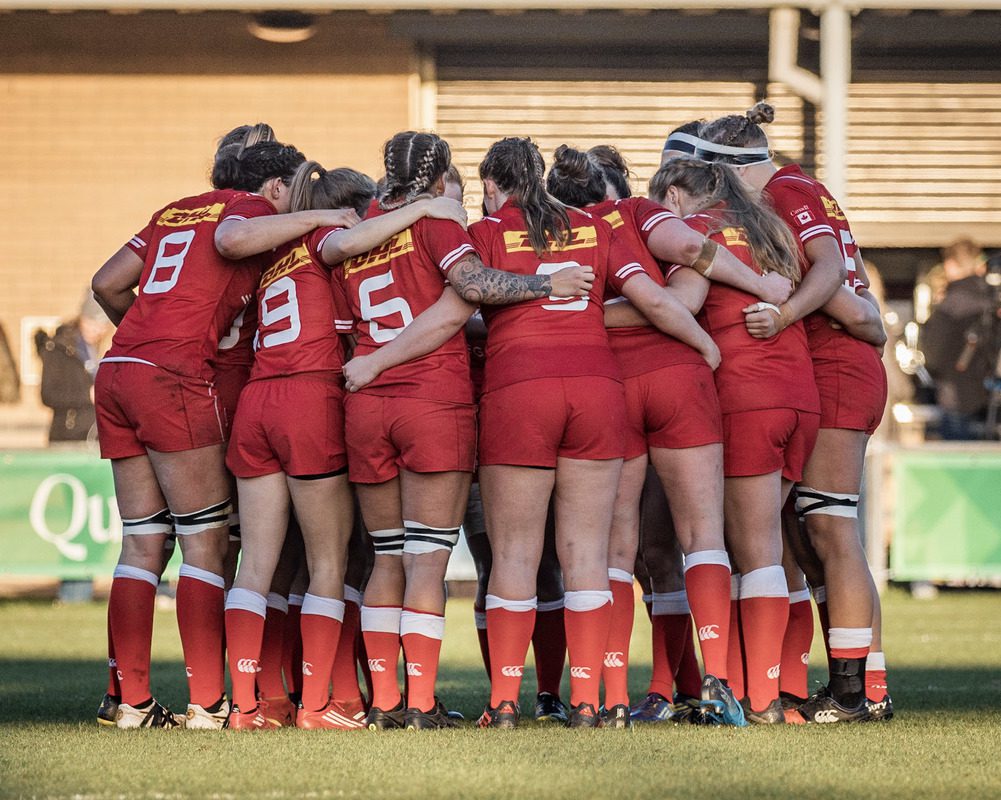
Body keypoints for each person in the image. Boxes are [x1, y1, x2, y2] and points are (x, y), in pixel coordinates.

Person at [91, 139, 361, 729]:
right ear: (272, 188)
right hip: (176, 379)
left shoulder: (174, 209)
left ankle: (129, 701)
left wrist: (148, 334)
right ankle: (209, 702)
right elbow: (232, 240)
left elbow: (107, 283)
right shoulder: (254, 211)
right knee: (207, 542)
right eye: (294, 192)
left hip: (119, 368)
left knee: (141, 542)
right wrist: (320, 216)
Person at [335, 131, 594, 730]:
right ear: (439, 176)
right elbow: (473, 288)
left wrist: (373, 361)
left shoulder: (361, 234)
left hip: (366, 402)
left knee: (386, 558)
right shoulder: (440, 223)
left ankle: (384, 703)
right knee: (427, 562)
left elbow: (347, 322)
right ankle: (421, 705)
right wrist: (543, 284)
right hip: (431, 401)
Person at [223, 161, 469, 730]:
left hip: (258, 397)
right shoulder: (330, 242)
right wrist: (426, 207)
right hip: (311, 397)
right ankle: (320, 705)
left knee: (257, 565)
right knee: (330, 562)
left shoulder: (272, 253)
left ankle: (244, 705)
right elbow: (353, 247)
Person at [699, 103, 893, 722]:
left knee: (831, 528)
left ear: (729, 168)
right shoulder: (790, 192)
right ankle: (869, 685)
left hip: (836, 366)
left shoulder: (787, 188)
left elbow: (835, 270)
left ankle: (853, 694)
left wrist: (784, 313)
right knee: (813, 538)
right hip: (827, 366)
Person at [546, 144, 745, 727]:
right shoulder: (635, 212)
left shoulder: (557, 234)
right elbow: (684, 268)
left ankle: (609, 694)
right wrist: (752, 299)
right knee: (702, 535)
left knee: (616, 548)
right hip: (677, 375)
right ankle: (720, 684)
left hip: (608, 386)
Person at [650, 156, 819, 724]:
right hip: (800, 395)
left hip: (747, 396)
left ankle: (761, 700)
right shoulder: (771, 231)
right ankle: (764, 690)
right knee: (766, 548)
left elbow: (685, 305)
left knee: (753, 550)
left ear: (675, 196)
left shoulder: (698, 233)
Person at [922, 238, 993, 441]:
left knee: (957, 461)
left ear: (950, 265)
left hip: (957, 395)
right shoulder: (991, 300)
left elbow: (933, 353)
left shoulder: (951, 304)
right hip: (991, 397)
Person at [35, 291, 110, 444]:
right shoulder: (57, 349)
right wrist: (87, 395)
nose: (97, 331)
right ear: (82, 318)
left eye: (103, 326)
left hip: (94, 434)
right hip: (68, 436)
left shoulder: (95, 349)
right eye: (92, 323)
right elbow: (48, 395)